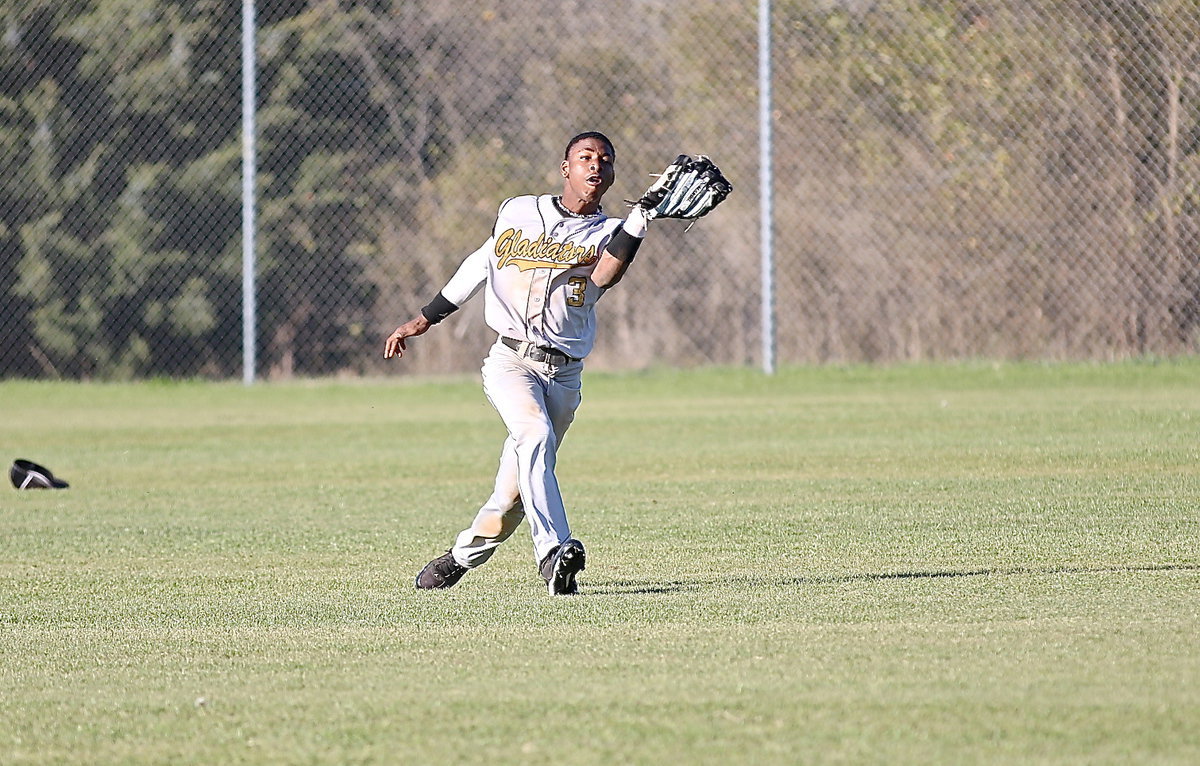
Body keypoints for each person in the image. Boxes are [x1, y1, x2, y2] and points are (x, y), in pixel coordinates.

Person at [384, 131, 659, 596]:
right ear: (564, 168)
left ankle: (459, 557)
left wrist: (642, 219)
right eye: (585, 158)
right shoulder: (519, 211)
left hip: (565, 372)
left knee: (513, 496)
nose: (596, 166)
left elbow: (605, 276)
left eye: (606, 161)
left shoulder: (612, 232)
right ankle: (554, 552)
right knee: (534, 435)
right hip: (511, 359)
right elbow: (481, 262)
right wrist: (424, 318)